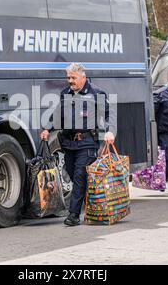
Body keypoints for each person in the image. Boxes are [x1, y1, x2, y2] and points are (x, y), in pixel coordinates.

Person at [41, 63, 116, 226]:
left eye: (73, 77)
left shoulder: (96, 93)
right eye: (68, 77)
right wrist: (47, 128)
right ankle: (95, 203)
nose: (70, 81)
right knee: (72, 174)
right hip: (68, 143)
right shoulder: (65, 93)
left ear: (83, 77)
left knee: (79, 176)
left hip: (87, 142)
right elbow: (58, 115)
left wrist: (110, 132)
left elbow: (110, 114)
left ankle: (73, 215)